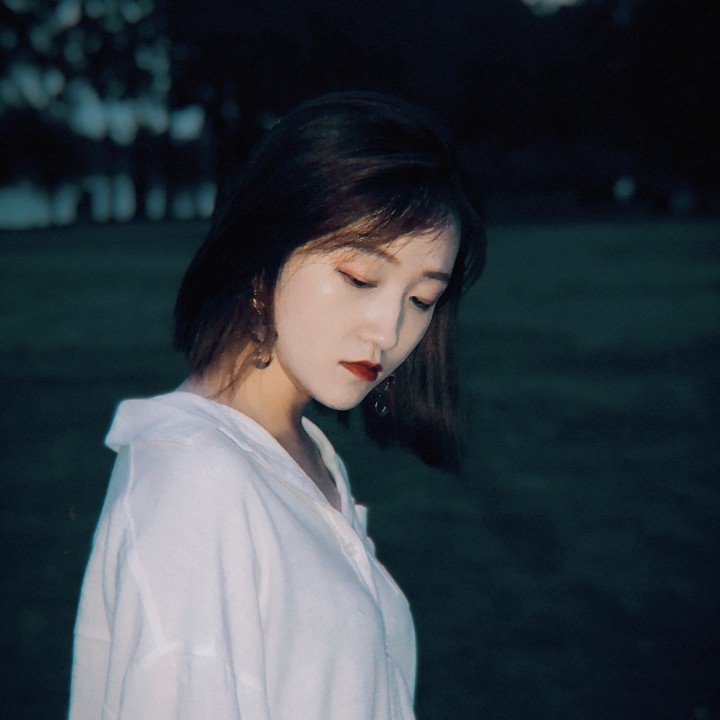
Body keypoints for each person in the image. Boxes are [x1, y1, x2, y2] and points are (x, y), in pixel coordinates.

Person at [68, 91, 486, 720]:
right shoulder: (197, 482)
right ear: (264, 258)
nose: (389, 330)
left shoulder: (298, 455)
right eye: (359, 278)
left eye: (421, 299)